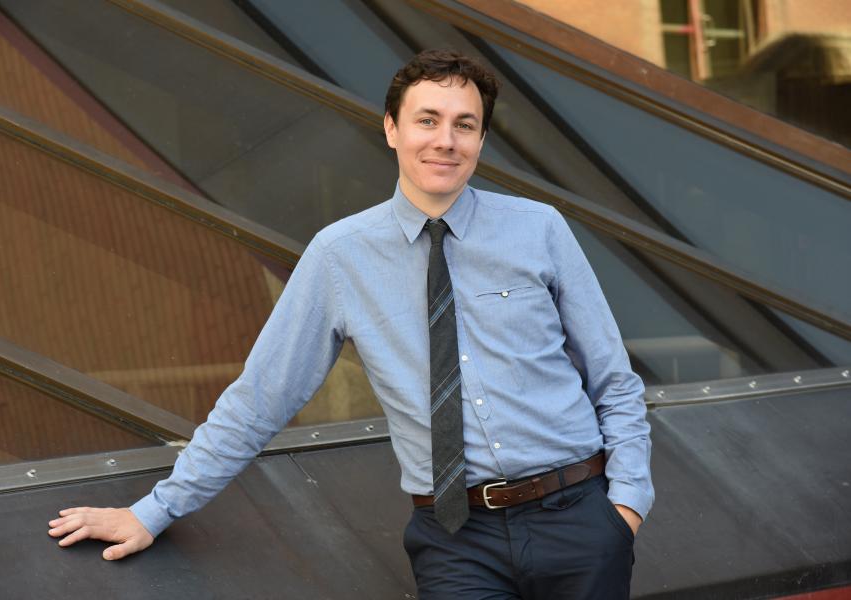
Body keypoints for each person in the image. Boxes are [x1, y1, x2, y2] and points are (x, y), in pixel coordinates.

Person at [49, 49, 653, 599]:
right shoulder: (339, 256)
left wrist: (625, 508)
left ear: (480, 139)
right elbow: (262, 398)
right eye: (427, 120)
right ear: (391, 128)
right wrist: (154, 511)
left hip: (577, 519)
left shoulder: (539, 229)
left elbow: (612, 379)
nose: (445, 140)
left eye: (463, 125)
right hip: (456, 542)